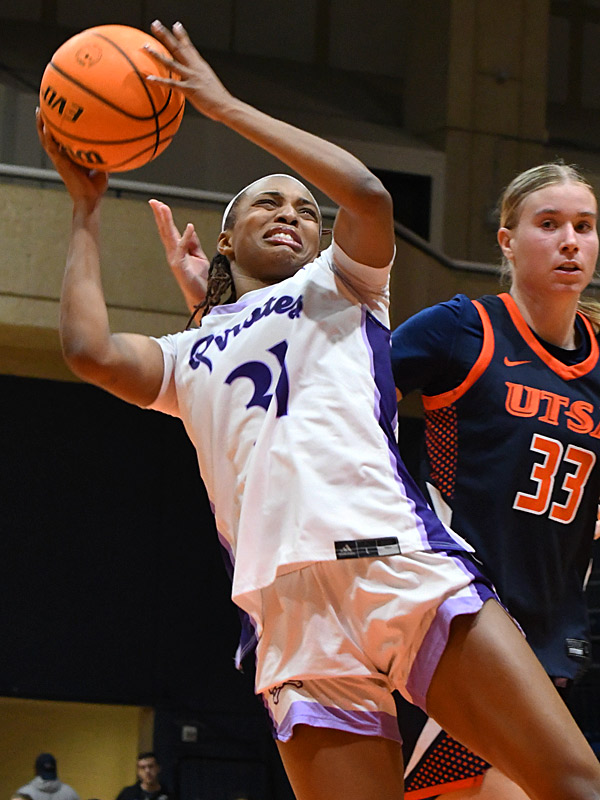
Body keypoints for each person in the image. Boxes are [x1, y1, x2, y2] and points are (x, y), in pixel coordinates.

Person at [36, 19, 600, 800]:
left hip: (393, 563)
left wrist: (224, 107)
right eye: (267, 202)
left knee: (572, 783)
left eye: (306, 208)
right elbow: (89, 350)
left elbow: (366, 194)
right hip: (288, 613)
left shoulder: (343, 287)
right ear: (225, 240)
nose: (292, 212)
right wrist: (85, 210)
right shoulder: (189, 350)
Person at [390, 161, 600, 799]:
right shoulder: (463, 329)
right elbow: (343, 407)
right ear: (507, 241)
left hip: (551, 630)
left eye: (584, 226)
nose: (570, 241)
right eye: (549, 224)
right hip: (462, 615)